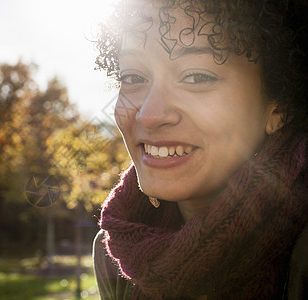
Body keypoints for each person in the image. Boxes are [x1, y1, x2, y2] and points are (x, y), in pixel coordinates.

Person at [92, 0, 307, 299]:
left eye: (196, 76)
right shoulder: (113, 252)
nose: (149, 115)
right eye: (132, 78)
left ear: (279, 106)